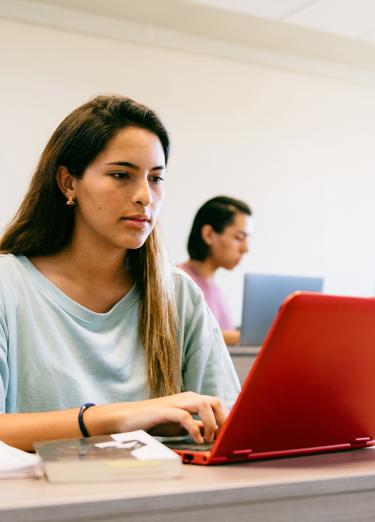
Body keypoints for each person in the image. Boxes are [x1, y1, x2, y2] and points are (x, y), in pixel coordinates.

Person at [0, 95, 240, 452]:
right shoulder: (8, 285)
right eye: (120, 175)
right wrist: (119, 418)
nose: (145, 196)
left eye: (156, 178)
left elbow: (227, 422)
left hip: (164, 500)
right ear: (68, 183)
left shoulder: (179, 295)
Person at [179, 196, 252, 346]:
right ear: (208, 235)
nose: (245, 249)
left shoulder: (219, 293)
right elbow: (185, 336)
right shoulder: (178, 282)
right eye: (239, 237)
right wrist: (246, 338)